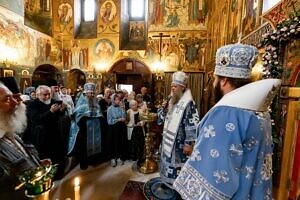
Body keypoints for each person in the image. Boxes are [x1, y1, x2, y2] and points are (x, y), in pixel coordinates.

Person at [173, 43, 281, 199]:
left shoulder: (226, 114)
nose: (214, 83)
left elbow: (214, 175)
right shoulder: (260, 111)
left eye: (215, 79)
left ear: (223, 80)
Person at [151, 71, 199, 197]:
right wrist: (162, 108)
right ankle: (166, 184)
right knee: (166, 163)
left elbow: (192, 123)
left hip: (179, 142)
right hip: (167, 138)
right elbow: (161, 118)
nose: (172, 88)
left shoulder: (188, 103)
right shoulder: (170, 100)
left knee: (177, 167)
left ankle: (177, 189)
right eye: (171, 85)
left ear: (182, 88)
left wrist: (189, 143)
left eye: (175, 86)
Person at [0, 77, 40, 199]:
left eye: (13, 97)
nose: (15, 103)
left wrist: (34, 164)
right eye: (7, 99)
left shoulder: (9, 132)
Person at [27, 85, 67, 179]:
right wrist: (50, 111)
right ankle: (47, 177)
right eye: (45, 95)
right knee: (45, 156)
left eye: (49, 94)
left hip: (55, 133)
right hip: (41, 135)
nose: (48, 97)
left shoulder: (53, 102)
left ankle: (58, 175)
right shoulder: (32, 105)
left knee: (57, 155)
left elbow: (59, 115)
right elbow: (36, 119)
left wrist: (62, 110)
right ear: (38, 95)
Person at [68, 83, 104, 170]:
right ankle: (84, 163)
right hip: (85, 129)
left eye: (93, 93)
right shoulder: (81, 104)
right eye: (90, 93)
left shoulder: (96, 104)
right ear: (85, 93)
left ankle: (93, 160)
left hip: (95, 129)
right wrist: (86, 116)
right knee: (84, 146)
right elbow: (76, 116)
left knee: (96, 143)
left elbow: (100, 114)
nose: (91, 95)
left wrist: (98, 116)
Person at [107, 94, 127, 167]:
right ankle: (113, 158)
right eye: (116, 100)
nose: (118, 101)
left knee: (120, 142)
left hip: (121, 128)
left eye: (119, 99)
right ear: (113, 100)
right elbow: (109, 121)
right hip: (113, 129)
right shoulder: (110, 109)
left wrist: (123, 110)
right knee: (113, 143)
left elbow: (124, 117)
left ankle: (119, 157)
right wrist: (118, 119)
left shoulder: (121, 108)